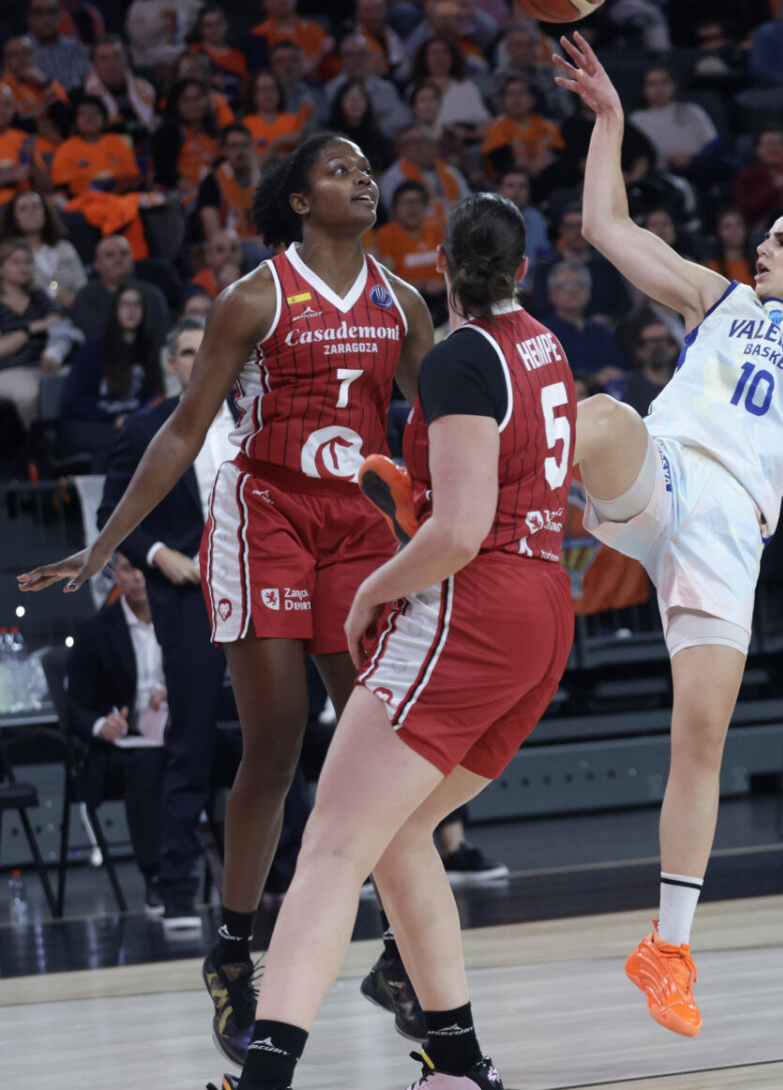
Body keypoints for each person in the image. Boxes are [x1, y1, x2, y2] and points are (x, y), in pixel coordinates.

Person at [19, 132, 436, 1067]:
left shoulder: (402, 303)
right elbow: (182, 430)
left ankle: (406, 954)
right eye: (340, 169)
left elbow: (446, 419)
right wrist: (107, 542)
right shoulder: (256, 297)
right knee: (278, 740)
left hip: (359, 529)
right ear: (296, 199)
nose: (363, 178)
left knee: (390, 744)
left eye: (368, 167)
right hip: (268, 516)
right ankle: (233, 952)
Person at [552, 34, 783, 1037]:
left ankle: (667, 949)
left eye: (778, 241)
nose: (759, 248)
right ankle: (483, 510)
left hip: (732, 538)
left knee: (700, 742)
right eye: (759, 239)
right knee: (596, 415)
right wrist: (607, 123)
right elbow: (601, 224)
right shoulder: (712, 301)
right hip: (666, 474)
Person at [211, 190, 577, 1090]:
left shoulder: (459, 360)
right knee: (402, 834)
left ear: (441, 267)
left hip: (474, 608)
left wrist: (374, 588)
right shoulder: (547, 345)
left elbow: (456, 532)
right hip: (544, 613)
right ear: (524, 270)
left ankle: (263, 1079)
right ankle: (457, 1063)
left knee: (332, 848)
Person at [96, 316, 308, 926]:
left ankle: (289, 875)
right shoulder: (143, 427)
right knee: (187, 740)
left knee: (274, 734)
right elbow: (113, 514)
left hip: (262, 590)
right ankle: (178, 884)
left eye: (205, 350)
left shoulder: (259, 416)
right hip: (188, 599)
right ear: (172, 361)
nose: (197, 360)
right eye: (186, 351)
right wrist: (163, 558)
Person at [66, 551, 170, 911]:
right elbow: (74, 708)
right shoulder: (94, 630)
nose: (139, 576)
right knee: (146, 764)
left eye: (144, 569)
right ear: (117, 576)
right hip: (120, 750)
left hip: (177, 734)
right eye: (129, 568)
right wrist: (100, 724)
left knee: (238, 749)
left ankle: (273, 874)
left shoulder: (181, 621)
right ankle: (156, 876)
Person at [59, 284, 164, 470]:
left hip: (132, 424)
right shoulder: (93, 350)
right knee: (119, 441)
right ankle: (104, 498)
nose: (131, 310)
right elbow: (74, 400)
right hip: (88, 423)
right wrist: (113, 418)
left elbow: (152, 397)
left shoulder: (148, 351)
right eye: (125, 304)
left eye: (137, 304)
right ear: (114, 309)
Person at [0, 237, 62, 431]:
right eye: (16, 262)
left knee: (75, 382)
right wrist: (31, 329)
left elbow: (58, 323)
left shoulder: (38, 297)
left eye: (27, 262)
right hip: (10, 370)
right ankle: (37, 448)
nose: (23, 267)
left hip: (45, 365)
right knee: (29, 394)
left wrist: (53, 353)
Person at [368, 181, 446, 323]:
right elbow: (386, 279)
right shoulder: (385, 235)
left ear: (426, 206)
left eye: (417, 202)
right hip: (405, 302)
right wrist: (422, 285)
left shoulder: (439, 233)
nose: (412, 208)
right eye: (406, 203)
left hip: (443, 300)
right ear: (395, 208)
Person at [71, 234, 171, 344]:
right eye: (109, 255)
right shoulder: (86, 297)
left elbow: (161, 335)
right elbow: (91, 337)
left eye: (124, 253)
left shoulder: (153, 295)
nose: (118, 259)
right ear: (96, 264)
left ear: (132, 259)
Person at [0, 189, 87, 312]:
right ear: (14, 218)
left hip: (76, 312)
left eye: (36, 207)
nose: (30, 212)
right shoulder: (7, 254)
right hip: (32, 317)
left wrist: (74, 301)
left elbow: (82, 284)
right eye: (23, 209)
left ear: (45, 212)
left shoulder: (64, 247)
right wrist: (53, 296)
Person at [125, 0, 204, 78]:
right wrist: (162, 21)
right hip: (148, 62)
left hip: (179, 58)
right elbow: (140, 40)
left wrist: (187, 23)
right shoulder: (138, 5)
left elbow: (207, 13)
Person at [248, 0, 336, 81]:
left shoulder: (315, 31)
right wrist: (317, 57)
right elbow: (260, 74)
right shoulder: (258, 34)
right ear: (265, 3)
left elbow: (331, 71)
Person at [51, 96, 142, 198]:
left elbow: (132, 176)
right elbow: (62, 187)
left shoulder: (118, 142)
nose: (90, 117)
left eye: (95, 112)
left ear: (105, 118)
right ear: (75, 121)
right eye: (83, 113)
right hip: (81, 204)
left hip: (119, 200)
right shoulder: (66, 148)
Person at [150, 77, 220, 203]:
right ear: (175, 104)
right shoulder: (170, 132)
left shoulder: (214, 135)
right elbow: (165, 174)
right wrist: (202, 194)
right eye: (186, 100)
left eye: (199, 98)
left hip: (207, 198)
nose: (194, 104)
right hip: (174, 199)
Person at [197, 125, 262, 247]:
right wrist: (255, 242)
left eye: (245, 145)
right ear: (224, 150)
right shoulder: (211, 182)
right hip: (229, 248)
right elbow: (213, 234)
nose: (240, 151)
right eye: (234, 146)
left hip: (261, 245)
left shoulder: (263, 178)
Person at [25, 0, 91, 92]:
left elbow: (90, 82)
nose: (46, 18)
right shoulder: (20, 50)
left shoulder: (75, 48)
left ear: (60, 16)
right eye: (39, 13)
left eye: (52, 12)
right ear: (30, 17)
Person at [191, 4, 249, 108]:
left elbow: (244, 91)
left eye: (218, 23)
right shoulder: (193, 53)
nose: (214, 29)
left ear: (226, 25)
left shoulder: (239, 57)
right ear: (200, 30)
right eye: (208, 25)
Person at [0, 85, 49, 208]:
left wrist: (33, 164)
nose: (2, 109)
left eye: (7, 104)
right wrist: (7, 177)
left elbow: (46, 189)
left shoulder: (23, 139)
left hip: (24, 207)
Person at [241, 70, 305, 164]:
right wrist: (278, 141)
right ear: (253, 95)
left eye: (272, 88)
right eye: (263, 89)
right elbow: (256, 164)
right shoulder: (246, 124)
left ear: (279, 93)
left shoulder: (293, 120)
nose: (268, 93)